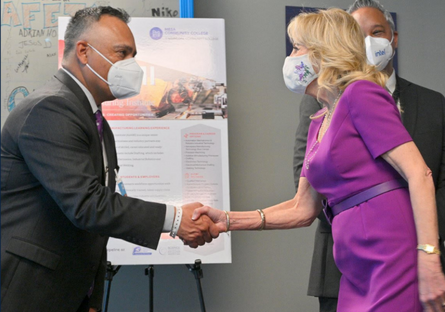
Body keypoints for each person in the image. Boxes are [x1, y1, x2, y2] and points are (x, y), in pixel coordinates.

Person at [192, 8, 445, 312]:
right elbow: (303, 208)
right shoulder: (319, 119)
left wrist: (429, 256)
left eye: (298, 47)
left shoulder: (361, 93)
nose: (292, 56)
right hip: (353, 262)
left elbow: (419, 173)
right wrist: (229, 220)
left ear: (325, 52)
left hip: (389, 249)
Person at [0, 6, 219, 312]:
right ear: (84, 52)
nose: (132, 65)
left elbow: (93, 220)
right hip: (31, 293)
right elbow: (88, 205)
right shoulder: (50, 109)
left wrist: (92, 296)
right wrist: (176, 220)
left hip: (70, 293)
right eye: (121, 53)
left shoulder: (93, 117)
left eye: (133, 55)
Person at [292, 1, 445, 311]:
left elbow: (429, 176)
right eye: (357, 34)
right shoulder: (318, 111)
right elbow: (307, 191)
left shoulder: (431, 103)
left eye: (376, 32)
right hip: (344, 262)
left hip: (406, 254)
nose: (367, 43)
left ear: (394, 37)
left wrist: (427, 248)